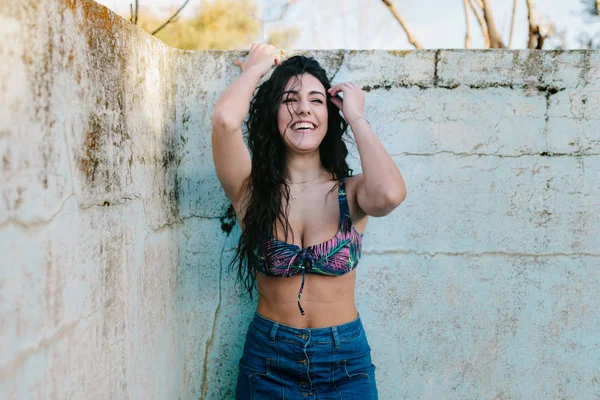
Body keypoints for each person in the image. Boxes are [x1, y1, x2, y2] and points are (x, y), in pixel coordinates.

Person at [211, 43, 407, 399]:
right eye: (290, 99)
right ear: (275, 112)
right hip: (268, 361)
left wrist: (357, 116)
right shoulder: (250, 190)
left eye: (316, 100)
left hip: (345, 362)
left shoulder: (353, 191)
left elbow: (390, 195)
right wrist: (255, 69)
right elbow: (225, 121)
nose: (303, 107)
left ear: (330, 116)